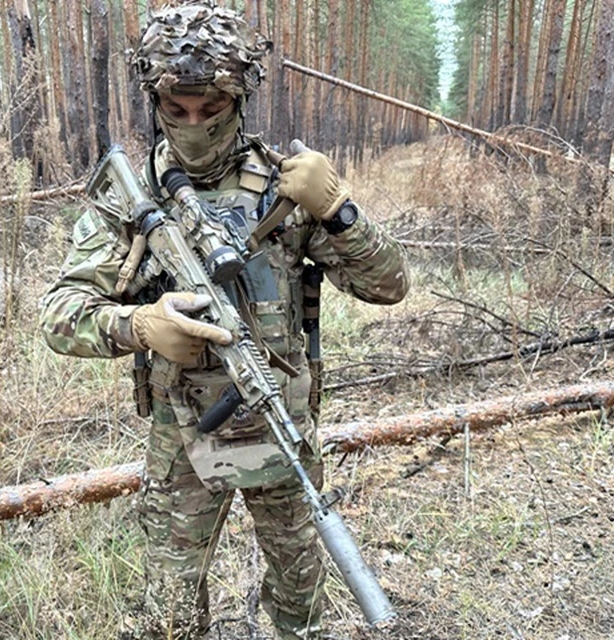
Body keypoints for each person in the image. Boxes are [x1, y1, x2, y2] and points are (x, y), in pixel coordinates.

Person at [39, 3, 409, 638]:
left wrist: (339, 210)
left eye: (211, 107)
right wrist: (140, 326)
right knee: (171, 609)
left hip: (281, 420)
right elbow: (60, 313)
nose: (194, 124)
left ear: (240, 100)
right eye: (176, 108)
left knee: (300, 600)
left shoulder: (286, 189)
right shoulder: (131, 196)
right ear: (154, 100)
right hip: (182, 433)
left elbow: (389, 286)